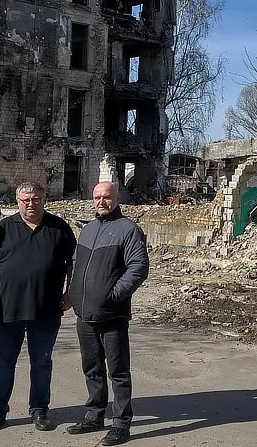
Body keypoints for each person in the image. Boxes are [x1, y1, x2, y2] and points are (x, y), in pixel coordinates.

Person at [0, 182, 77, 432]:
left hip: (46, 309)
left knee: (42, 362)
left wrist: (70, 293)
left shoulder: (59, 228)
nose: (31, 204)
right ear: (18, 201)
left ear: (44, 199)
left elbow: (73, 263)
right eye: (26, 200)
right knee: (3, 363)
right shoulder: (3, 228)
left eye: (36, 199)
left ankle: (39, 410)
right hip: (7, 310)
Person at [67, 181, 149, 446]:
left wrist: (112, 295)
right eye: (97, 197)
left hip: (112, 315)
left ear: (117, 198)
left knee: (118, 372)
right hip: (84, 315)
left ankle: (121, 424)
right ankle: (94, 415)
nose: (101, 202)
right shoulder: (88, 229)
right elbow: (76, 264)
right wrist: (74, 294)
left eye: (107, 197)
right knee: (92, 368)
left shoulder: (128, 229)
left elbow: (138, 268)